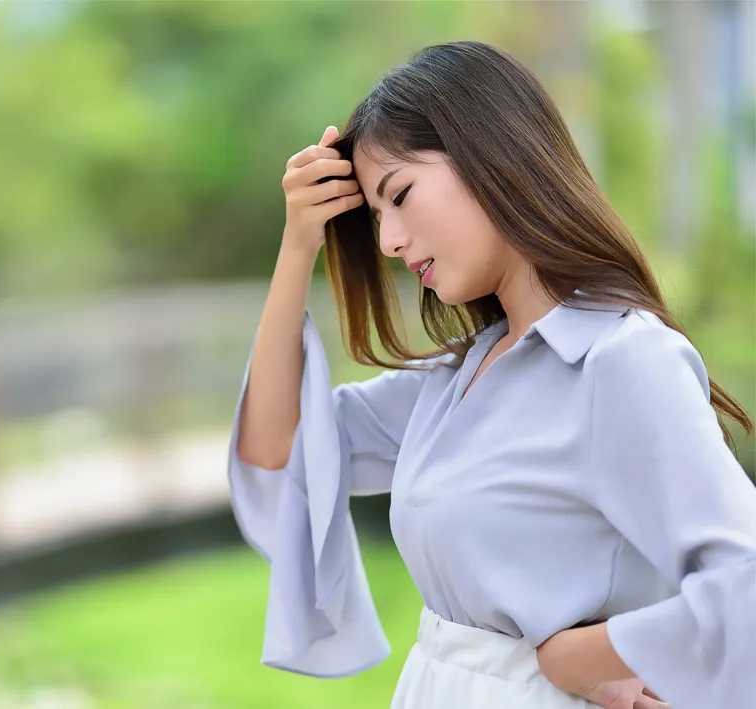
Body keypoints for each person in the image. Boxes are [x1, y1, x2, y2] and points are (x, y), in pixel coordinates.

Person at [227, 41, 755, 709]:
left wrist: (584, 656)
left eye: (400, 195)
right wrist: (298, 243)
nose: (387, 240)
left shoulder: (618, 360)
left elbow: (745, 585)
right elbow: (276, 446)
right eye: (375, 217)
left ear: (492, 156)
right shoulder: (456, 380)